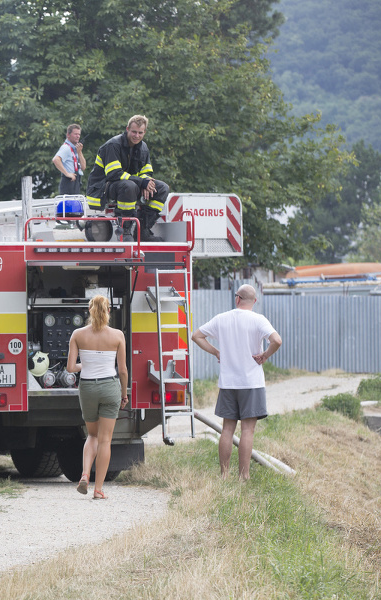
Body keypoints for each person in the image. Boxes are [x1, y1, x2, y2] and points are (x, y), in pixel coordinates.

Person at [191, 284, 283, 481]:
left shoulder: (222, 318)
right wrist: (265, 355)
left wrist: (216, 351)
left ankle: (224, 475)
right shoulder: (259, 320)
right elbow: (277, 340)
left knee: (227, 429)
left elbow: (196, 335)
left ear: (237, 299)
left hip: (228, 383)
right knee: (247, 430)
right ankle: (244, 476)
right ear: (254, 301)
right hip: (251, 383)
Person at [66, 295, 130, 499]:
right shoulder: (118, 335)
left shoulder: (78, 334)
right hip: (110, 387)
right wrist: (124, 393)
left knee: (92, 435)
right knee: (105, 440)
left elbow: (69, 368)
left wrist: (85, 365)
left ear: (89, 310)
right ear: (109, 311)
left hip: (87, 389)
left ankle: (85, 474)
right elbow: (122, 371)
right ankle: (98, 489)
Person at [85, 115, 171, 242]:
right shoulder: (113, 145)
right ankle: (125, 231)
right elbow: (114, 174)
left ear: (144, 132)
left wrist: (146, 183)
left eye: (140, 133)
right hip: (103, 187)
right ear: (127, 129)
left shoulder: (143, 148)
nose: (137, 135)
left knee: (163, 188)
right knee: (130, 186)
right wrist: (142, 182)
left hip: (130, 186)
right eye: (134, 132)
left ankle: (143, 231)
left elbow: (146, 172)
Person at [52, 124, 86, 196]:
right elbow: (56, 160)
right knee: (68, 205)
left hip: (76, 181)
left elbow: (83, 167)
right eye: (75, 134)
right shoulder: (66, 147)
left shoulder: (75, 149)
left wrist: (79, 152)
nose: (78, 136)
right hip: (68, 181)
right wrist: (67, 173)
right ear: (68, 135)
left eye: (79, 134)